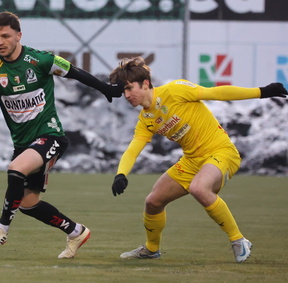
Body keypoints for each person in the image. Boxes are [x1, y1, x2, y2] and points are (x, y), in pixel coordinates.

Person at [0, 11, 123, 259]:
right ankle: (76, 232)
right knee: (28, 203)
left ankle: (1, 228)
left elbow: (75, 72)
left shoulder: (40, 60)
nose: (0, 42)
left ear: (18, 36)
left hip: (50, 136)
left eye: (5, 36)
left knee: (16, 169)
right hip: (23, 144)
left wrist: (106, 88)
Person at [109, 56, 287, 263]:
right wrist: (120, 174)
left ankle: (238, 240)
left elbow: (217, 93)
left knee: (199, 188)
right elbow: (133, 150)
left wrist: (262, 92)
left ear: (146, 83)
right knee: (153, 202)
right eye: (124, 91)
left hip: (221, 151)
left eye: (130, 88)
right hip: (192, 161)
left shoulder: (175, 90)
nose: (127, 95)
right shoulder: (146, 119)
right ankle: (151, 249)